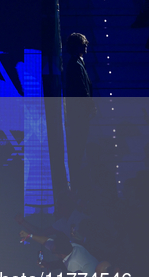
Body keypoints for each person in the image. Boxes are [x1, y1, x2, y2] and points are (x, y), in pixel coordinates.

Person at [64, 32, 94, 193]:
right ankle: (76, 182)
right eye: (83, 44)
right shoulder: (75, 64)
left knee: (79, 145)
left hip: (80, 112)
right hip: (79, 113)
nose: (86, 46)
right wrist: (89, 106)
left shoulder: (77, 63)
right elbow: (81, 89)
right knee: (78, 145)